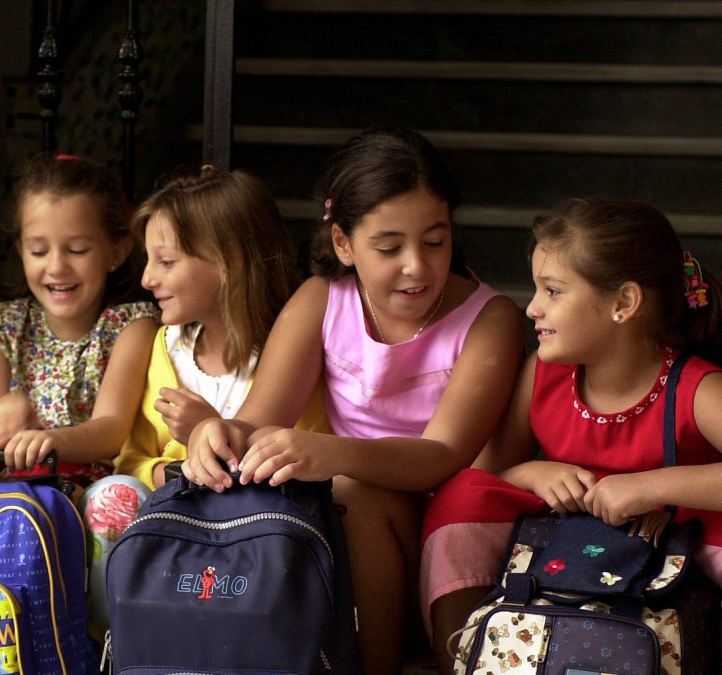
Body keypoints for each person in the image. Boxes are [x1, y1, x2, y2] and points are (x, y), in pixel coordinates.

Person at [181, 127, 525, 675]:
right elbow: (257, 419)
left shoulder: (490, 319)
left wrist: (332, 453)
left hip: (454, 550)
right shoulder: (323, 299)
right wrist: (213, 434)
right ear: (343, 243)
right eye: (389, 248)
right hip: (350, 536)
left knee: (353, 488)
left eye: (435, 241)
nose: (417, 265)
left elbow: (443, 454)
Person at [423, 198, 722, 672]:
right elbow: (487, 471)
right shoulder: (544, 375)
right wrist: (532, 471)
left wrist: (650, 486)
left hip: (676, 543)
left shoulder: (696, 387)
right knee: (463, 495)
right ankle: (465, 658)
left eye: (553, 291)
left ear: (623, 303)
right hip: (569, 541)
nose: (532, 307)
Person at [82, 166, 329, 636]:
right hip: (172, 525)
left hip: (256, 535)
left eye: (167, 261)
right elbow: (131, 460)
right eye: (148, 260)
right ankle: (125, 645)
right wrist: (173, 470)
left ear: (228, 260)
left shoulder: (292, 356)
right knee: (110, 496)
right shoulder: (161, 349)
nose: (149, 277)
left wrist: (211, 430)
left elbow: (306, 456)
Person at [0, 153, 157, 488]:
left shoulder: (131, 327)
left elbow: (111, 428)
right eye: (39, 252)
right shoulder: (3, 324)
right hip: (12, 489)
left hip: (91, 489)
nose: (56, 267)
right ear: (20, 251)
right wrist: (1, 421)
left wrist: (51, 439)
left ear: (116, 253)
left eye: (77, 250)